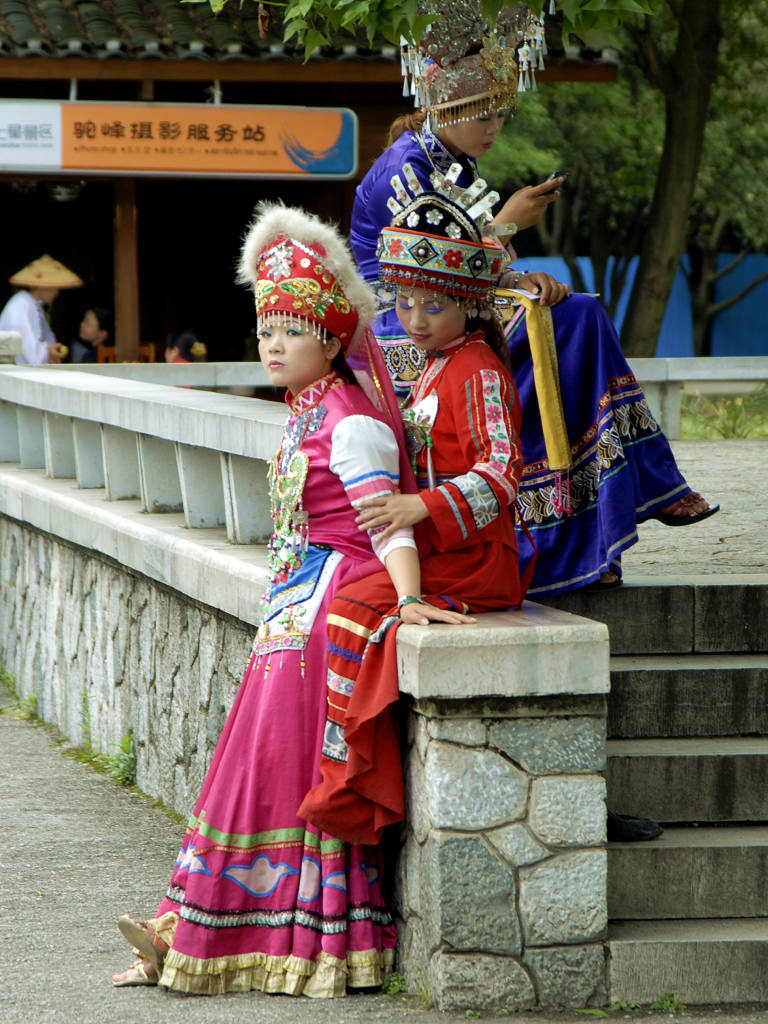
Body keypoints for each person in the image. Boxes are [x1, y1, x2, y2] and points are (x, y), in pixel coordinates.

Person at [111, 202, 471, 996]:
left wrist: (407, 599)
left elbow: (386, 526)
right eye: (266, 325)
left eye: (292, 328)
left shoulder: (348, 421)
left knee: (278, 768)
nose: (273, 342)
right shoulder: (307, 411)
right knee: (251, 762)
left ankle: (273, 940)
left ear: (334, 340)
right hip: (293, 606)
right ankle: (184, 926)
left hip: (326, 613)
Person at [348, 1, 718, 603]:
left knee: (577, 315)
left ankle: (612, 509)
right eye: (481, 114)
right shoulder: (405, 169)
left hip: (448, 307)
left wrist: (523, 281)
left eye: (501, 113)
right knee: (578, 321)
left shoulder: (453, 163)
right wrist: (505, 228)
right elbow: (429, 273)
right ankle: (636, 493)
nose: (493, 129)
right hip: (402, 322)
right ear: (446, 107)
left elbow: (470, 275)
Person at [297, 172, 527, 847]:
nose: (415, 319)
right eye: (403, 301)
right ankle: (350, 781)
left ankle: (357, 789)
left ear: (468, 304)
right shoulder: (432, 362)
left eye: (434, 305)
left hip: (479, 559)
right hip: (440, 547)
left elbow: (501, 474)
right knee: (347, 601)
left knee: (355, 609)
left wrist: (418, 507)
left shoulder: (479, 367)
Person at [0, 254, 83, 365]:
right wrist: (47, 352)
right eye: (55, 287)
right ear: (41, 286)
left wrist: (50, 350)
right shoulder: (21, 306)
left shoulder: (34, 305)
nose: (57, 292)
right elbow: (27, 349)